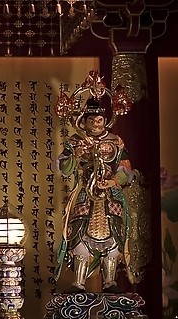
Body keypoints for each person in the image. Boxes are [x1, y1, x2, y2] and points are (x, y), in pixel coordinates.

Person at [55, 97, 135, 293]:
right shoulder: (76, 140)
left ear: (105, 121)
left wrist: (113, 181)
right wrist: (75, 155)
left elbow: (126, 169)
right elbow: (64, 168)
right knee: (79, 233)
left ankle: (110, 281)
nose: (96, 125)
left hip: (110, 195)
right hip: (85, 192)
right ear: (84, 121)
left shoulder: (115, 141)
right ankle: (79, 282)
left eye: (99, 120)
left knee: (114, 233)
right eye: (91, 120)